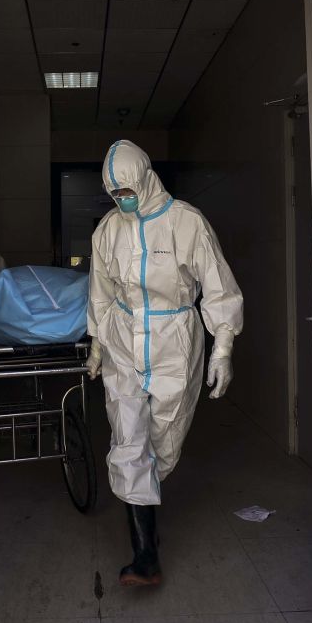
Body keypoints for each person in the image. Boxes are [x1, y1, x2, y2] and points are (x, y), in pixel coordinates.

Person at [86, 140, 244, 587]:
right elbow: (98, 290)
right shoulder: (107, 230)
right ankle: (144, 554)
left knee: (164, 439)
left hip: (175, 338)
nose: (122, 199)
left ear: (145, 177)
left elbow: (218, 287)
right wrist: (97, 343)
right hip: (122, 336)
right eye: (113, 193)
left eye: (127, 190)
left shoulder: (185, 222)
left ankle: (147, 510)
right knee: (128, 438)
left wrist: (224, 347)